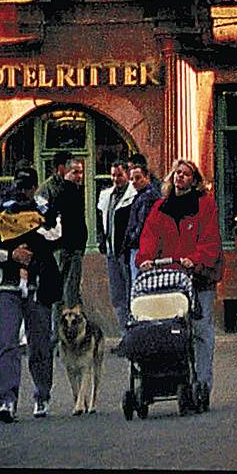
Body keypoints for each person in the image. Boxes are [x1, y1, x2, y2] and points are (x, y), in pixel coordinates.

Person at [136, 158, 222, 413]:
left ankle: (203, 384)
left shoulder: (205, 205)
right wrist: (145, 259)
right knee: (167, 329)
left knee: (200, 331)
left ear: (194, 181)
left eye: (185, 174)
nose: (179, 178)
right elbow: (149, 237)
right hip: (170, 279)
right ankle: (170, 378)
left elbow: (210, 239)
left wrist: (194, 259)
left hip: (198, 277)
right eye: (176, 173)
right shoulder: (161, 208)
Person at [0, 166, 62, 423]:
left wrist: (29, 237)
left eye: (27, 186)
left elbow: (57, 236)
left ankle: (42, 394)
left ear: (34, 186)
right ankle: (7, 399)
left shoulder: (46, 210)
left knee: (40, 344)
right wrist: (11, 255)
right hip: (7, 285)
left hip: (38, 285)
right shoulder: (0, 211)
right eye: (20, 185)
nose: (23, 190)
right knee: (6, 344)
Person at [38, 155, 87, 308]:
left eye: (80, 172)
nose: (79, 176)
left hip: (72, 248)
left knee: (71, 290)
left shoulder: (75, 190)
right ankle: (59, 329)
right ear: (62, 170)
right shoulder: (52, 189)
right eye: (75, 172)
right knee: (63, 292)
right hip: (61, 248)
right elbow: (41, 213)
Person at [97, 156, 135, 334]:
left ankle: (133, 334)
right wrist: (101, 240)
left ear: (126, 174)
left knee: (131, 294)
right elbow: (101, 220)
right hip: (111, 252)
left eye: (119, 175)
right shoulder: (106, 195)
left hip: (126, 253)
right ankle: (124, 334)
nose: (115, 179)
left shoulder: (133, 196)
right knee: (117, 296)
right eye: (113, 176)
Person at [125, 155, 162, 298]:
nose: (134, 182)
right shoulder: (143, 195)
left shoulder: (147, 197)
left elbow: (142, 225)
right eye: (132, 179)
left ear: (146, 177)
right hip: (141, 246)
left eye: (138, 178)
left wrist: (131, 239)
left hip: (141, 248)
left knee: (140, 287)